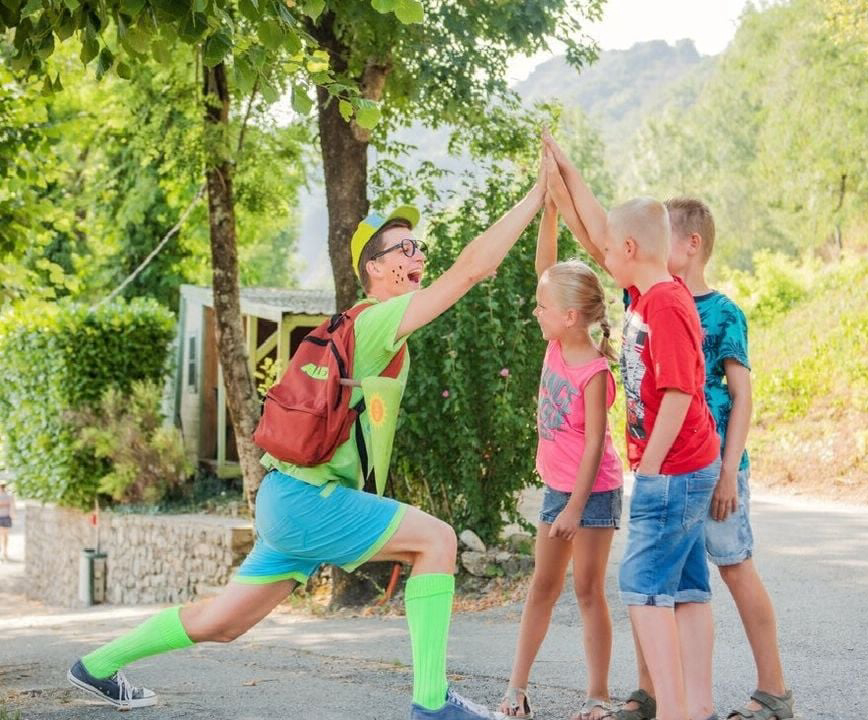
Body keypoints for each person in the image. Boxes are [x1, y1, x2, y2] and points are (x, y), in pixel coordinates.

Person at [68, 155, 548, 719]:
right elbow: (471, 270)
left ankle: (96, 665)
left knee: (223, 623)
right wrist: (536, 195)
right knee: (437, 541)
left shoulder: (361, 323)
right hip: (307, 500)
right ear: (374, 268)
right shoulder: (374, 321)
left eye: (419, 247)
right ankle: (432, 703)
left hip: (286, 498)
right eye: (405, 249)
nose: (419, 256)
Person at [541, 134, 721, 720]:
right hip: (686, 467)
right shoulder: (645, 290)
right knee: (687, 588)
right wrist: (566, 174)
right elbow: (598, 228)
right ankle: (696, 708)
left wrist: (650, 469)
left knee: (642, 586)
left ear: (629, 248)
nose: (599, 253)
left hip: (674, 469)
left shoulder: (665, 303)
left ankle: (673, 710)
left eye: (609, 251)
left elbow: (680, 393)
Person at [661, 197, 793, 720]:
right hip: (673, 468)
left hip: (717, 467)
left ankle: (774, 691)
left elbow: (742, 395)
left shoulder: (723, 313)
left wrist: (729, 474)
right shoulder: (655, 300)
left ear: (692, 244)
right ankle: (669, 696)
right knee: (671, 583)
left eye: (663, 237)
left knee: (735, 567)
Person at [499, 190, 623, 720]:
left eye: (543, 307)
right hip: (558, 491)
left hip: (592, 494)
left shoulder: (594, 371)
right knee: (542, 588)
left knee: (588, 590)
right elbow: (545, 270)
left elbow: (595, 444)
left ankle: (598, 697)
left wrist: (575, 508)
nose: (536, 310)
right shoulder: (556, 343)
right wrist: (549, 209)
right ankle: (516, 690)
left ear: (570, 316)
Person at [0, 480, 14, 562]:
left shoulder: (9, 495)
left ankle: (5, 552)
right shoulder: (9, 496)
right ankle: (3, 552)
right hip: (4, 517)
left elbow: (12, 505)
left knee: (5, 535)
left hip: (6, 517)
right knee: (3, 535)